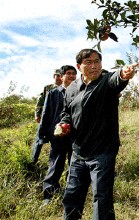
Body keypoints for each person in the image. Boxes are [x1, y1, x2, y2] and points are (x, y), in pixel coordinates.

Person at [57, 48, 137, 220]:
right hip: (78, 153)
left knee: (102, 199)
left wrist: (124, 73)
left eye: (97, 62)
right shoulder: (71, 88)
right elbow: (66, 112)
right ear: (79, 66)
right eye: (89, 62)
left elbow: (118, 79)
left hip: (103, 152)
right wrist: (64, 124)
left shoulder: (106, 81)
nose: (94, 66)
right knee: (72, 196)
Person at [38, 65, 77, 205]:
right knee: (55, 164)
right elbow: (46, 114)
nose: (72, 76)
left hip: (76, 136)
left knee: (74, 165)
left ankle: (70, 193)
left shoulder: (80, 92)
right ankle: (48, 195)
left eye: (74, 74)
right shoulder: (53, 93)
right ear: (61, 76)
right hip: (57, 136)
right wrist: (43, 134)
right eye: (68, 74)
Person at [31, 69, 63, 164]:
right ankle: (33, 161)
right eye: (56, 75)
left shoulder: (66, 88)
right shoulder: (48, 88)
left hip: (57, 119)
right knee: (39, 139)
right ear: (54, 77)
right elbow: (40, 102)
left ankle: (52, 163)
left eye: (60, 75)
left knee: (56, 142)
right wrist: (37, 115)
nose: (58, 77)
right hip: (46, 117)